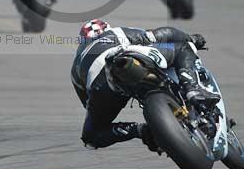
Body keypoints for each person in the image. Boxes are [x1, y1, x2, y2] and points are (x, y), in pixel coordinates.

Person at [70, 19, 219, 151]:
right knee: (183, 46)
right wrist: (191, 38)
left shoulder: (76, 67)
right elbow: (154, 36)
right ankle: (192, 88)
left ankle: (140, 130)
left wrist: (107, 104)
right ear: (104, 29)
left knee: (91, 136)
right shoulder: (113, 33)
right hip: (127, 60)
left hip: (102, 87)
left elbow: (88, 103)